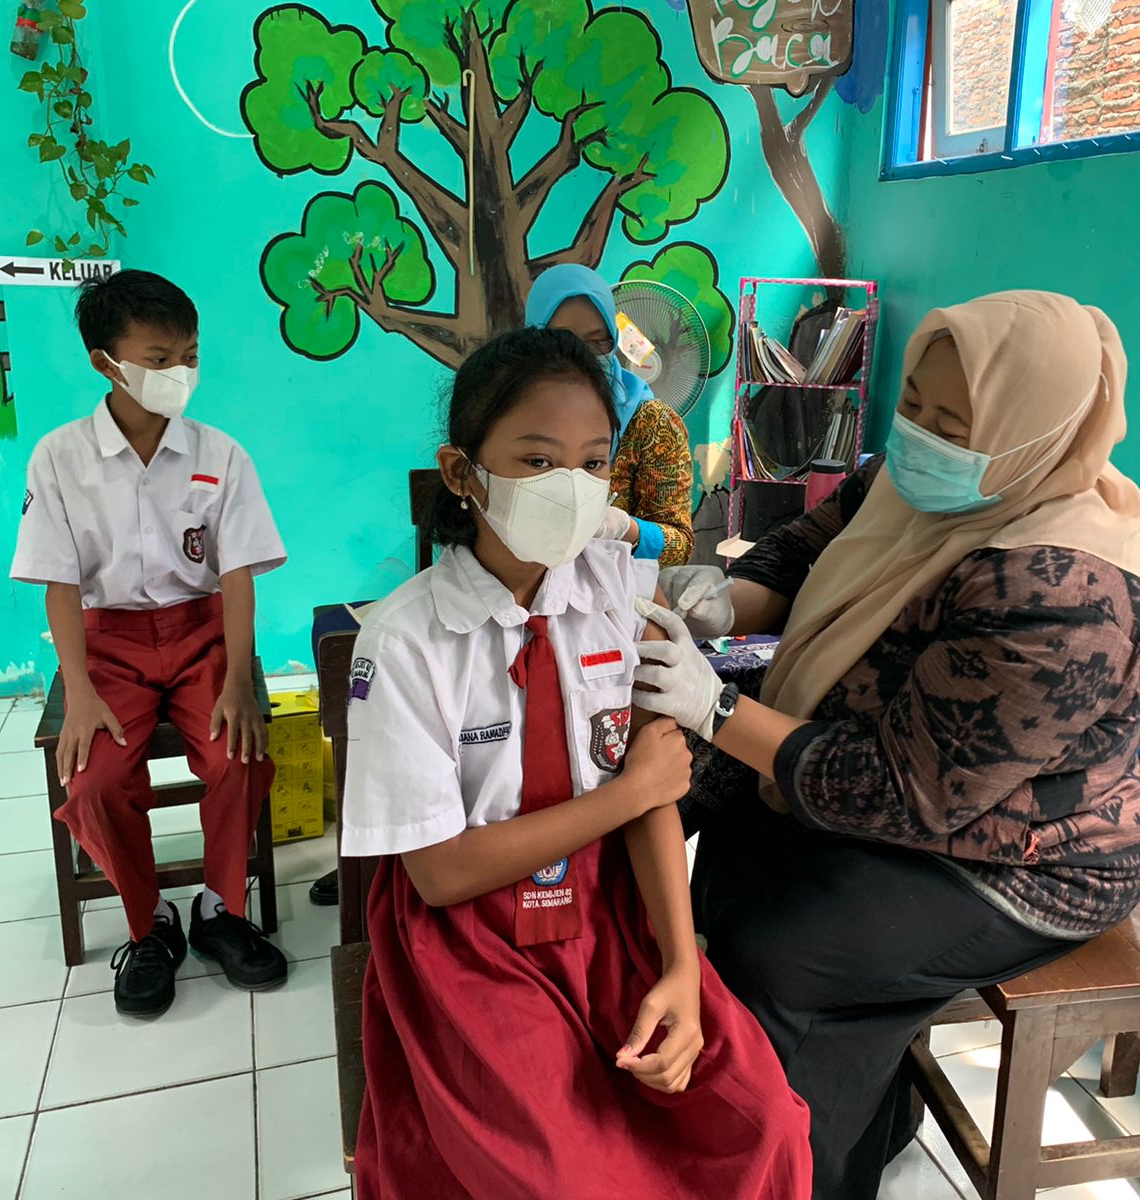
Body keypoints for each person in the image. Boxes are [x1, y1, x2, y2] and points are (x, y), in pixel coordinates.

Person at [636, 291, 1140, 1200]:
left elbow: (906, 792)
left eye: (951, 425)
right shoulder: (919, 478)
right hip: (896, 779)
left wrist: (715, 709)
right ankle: (847, 1118)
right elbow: (801, 551)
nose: (918, 435)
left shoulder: (1066, 594)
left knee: (787, 953)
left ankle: (803, 1171)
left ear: (1031, 432)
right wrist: (721, 604)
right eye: (913, 404)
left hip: (1023, 860)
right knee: (731, 834)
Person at [341, 326, 810, 1200]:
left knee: (764, 1125)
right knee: (563, 1176)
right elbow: (441, 873)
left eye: (594, 463)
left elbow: (654, 801)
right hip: (474, 939)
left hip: (607, 909)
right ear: (462, 473)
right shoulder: (404, 642)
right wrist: (629, 794)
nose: (572, 488)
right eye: (537, 460)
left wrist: (680, 966)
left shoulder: (617, 593)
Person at [10, 270, 289, 1016]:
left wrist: (238, 678)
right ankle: (149, 925)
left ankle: (219, 910)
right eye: (159, 358)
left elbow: (236, 574)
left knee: (237, 754)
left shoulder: (221, 454)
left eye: (189, 356)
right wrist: (78, 692)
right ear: (105, 362)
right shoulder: (59, 457)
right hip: (107, 647)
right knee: (94, 782)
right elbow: (59, 585)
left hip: (204, 635)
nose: (180, 374)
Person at [525, 263, 696, 565]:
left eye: (598, 342)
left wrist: (623, 528)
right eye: (564, 341)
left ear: (614, 341)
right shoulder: (512, 413)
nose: (582, 356)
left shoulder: (651, 424)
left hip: (614, 585)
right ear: (534, 337)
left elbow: (680, 546)